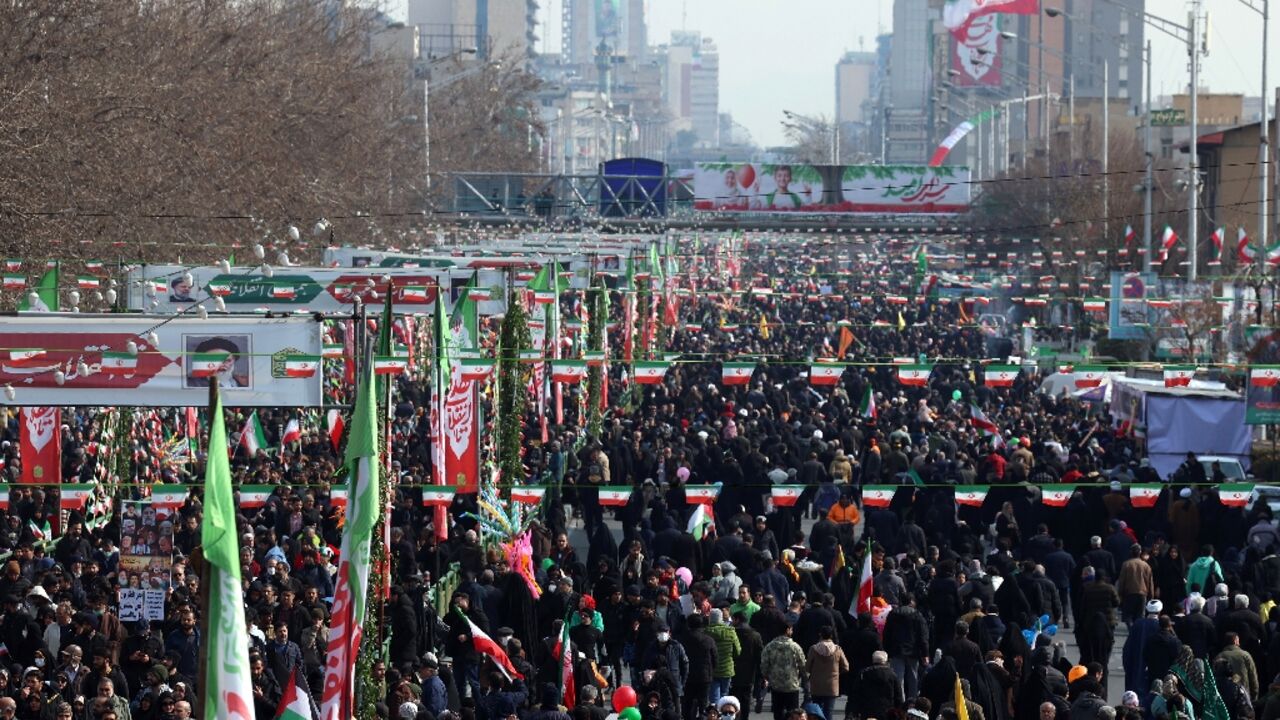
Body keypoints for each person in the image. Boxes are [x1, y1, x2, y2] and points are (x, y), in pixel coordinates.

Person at [760, 623, 806, 720]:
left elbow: (764, 665)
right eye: (791, 629)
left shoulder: (769, 646)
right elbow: (803, 665)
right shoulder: (795, 646)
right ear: (787, 630)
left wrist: (767, 677)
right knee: (794, 713)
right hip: (792, 684)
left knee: (778, 712)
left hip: (776, 685)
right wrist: (803, 678)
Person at [805, 626, 848, 720]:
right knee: (829, 711)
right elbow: (846, 667)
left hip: (816, 685)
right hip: (831, 685)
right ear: (831, 635)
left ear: (820, 635)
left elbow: (807, 667)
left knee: (816, 711)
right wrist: (837, 673)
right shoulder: (837, 649)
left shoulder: (813, 649)